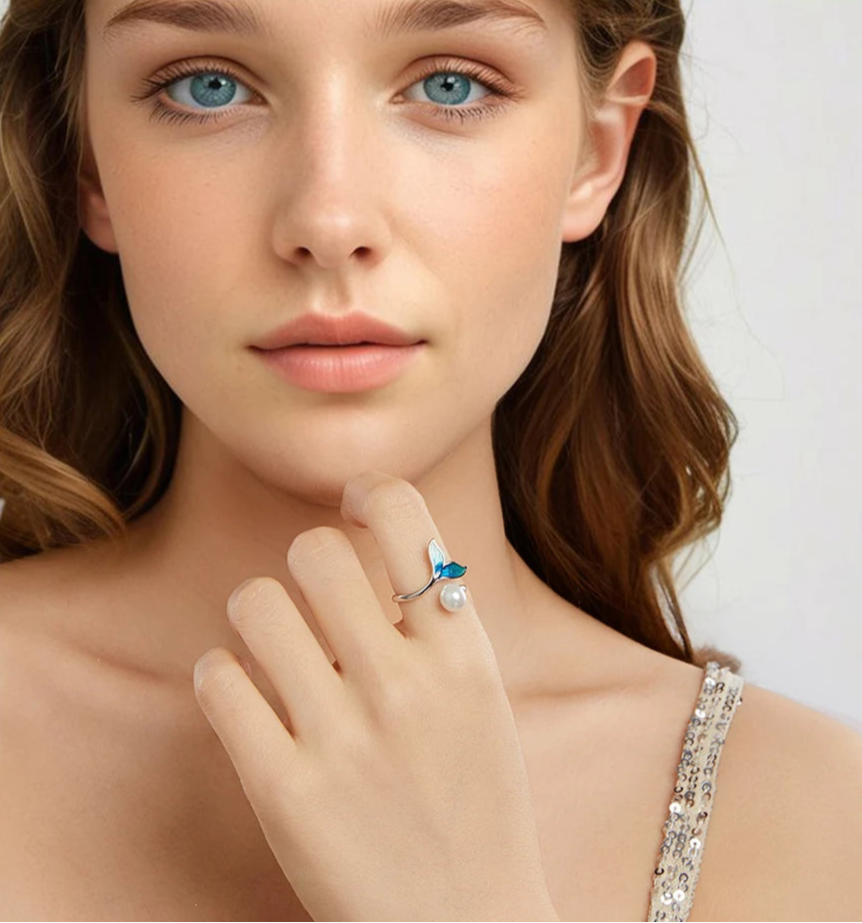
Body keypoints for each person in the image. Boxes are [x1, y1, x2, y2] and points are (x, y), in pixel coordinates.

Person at [0, 0, 859, 920]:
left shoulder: (818, 826)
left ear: (598, 148)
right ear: (86, 156)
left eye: (450, 85)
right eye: (208, 87)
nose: (328, 221)